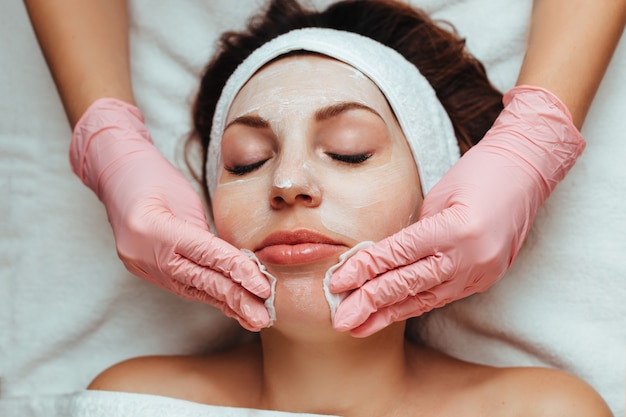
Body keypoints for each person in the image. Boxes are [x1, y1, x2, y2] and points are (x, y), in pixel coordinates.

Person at [86, 1, 611, 415]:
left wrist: (536, 133)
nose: (287, 183)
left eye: (348, 151)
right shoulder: (137, 401)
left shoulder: (544, 411)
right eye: (245, 162)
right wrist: (105, 140)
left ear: (435, 199)